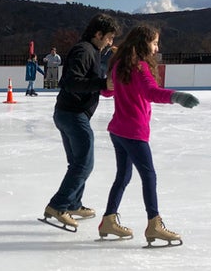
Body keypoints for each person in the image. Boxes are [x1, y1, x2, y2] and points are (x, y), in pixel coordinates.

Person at [97, 24, 199, 247]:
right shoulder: (139, 67)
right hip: (134, 132)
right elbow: (150, 92)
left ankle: (108, 220)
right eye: (154, 43)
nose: (156, 47)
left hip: (118, 130)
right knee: (148, 176)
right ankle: (154, 223)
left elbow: (107, 90)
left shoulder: (121, 66)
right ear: (144, 43)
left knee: (123, 176)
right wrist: (176, 96)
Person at [41, 13, 121, 231]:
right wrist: (102, 83)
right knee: (84, 163)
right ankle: (58, 205)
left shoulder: (92, 51)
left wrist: (103, 85)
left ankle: (73, 203)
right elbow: (70, 81)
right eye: (109, 37)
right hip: (72, 115)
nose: (110, 42)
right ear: (98, 33)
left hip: (69, 113)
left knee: (77, 163)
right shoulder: (84, 50)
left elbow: (88, 82)